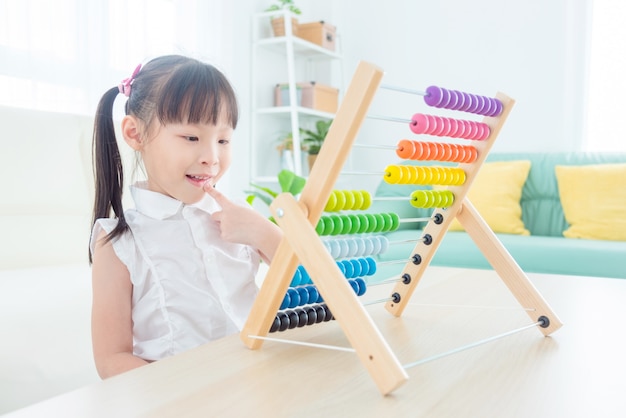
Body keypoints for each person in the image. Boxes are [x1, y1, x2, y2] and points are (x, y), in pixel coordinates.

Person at [89, 55, 282, 379]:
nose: (211, 158)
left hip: (257, 386)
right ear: (135, 134)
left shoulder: (239, 219)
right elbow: (111, 360)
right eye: (191, 138)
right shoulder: (119, 242)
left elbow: (321, 283)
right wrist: (186, 390)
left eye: (223, 140)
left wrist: (265, 234)